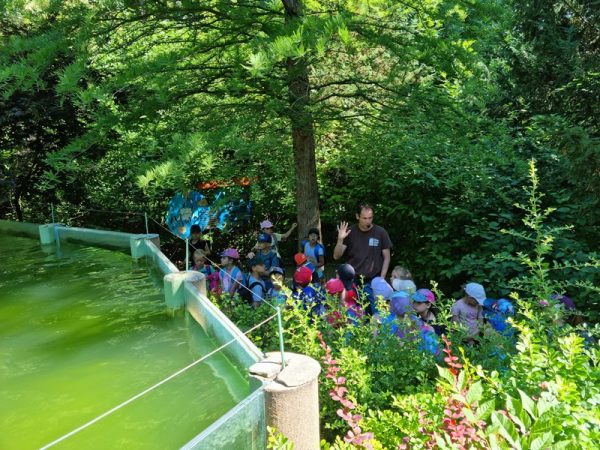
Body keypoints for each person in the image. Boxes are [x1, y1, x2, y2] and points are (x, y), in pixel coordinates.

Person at [334, 204, 392, 314]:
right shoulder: (350, 232)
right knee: (352, 313)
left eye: (370, 218)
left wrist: (381, 279)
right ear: (357, 216)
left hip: (373, 280)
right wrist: (340, 239)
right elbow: (336, 256)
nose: (368, 221)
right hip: (352, 281)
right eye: (364, 218)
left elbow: (387, 257)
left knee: (377, 313)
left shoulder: (380, 232)